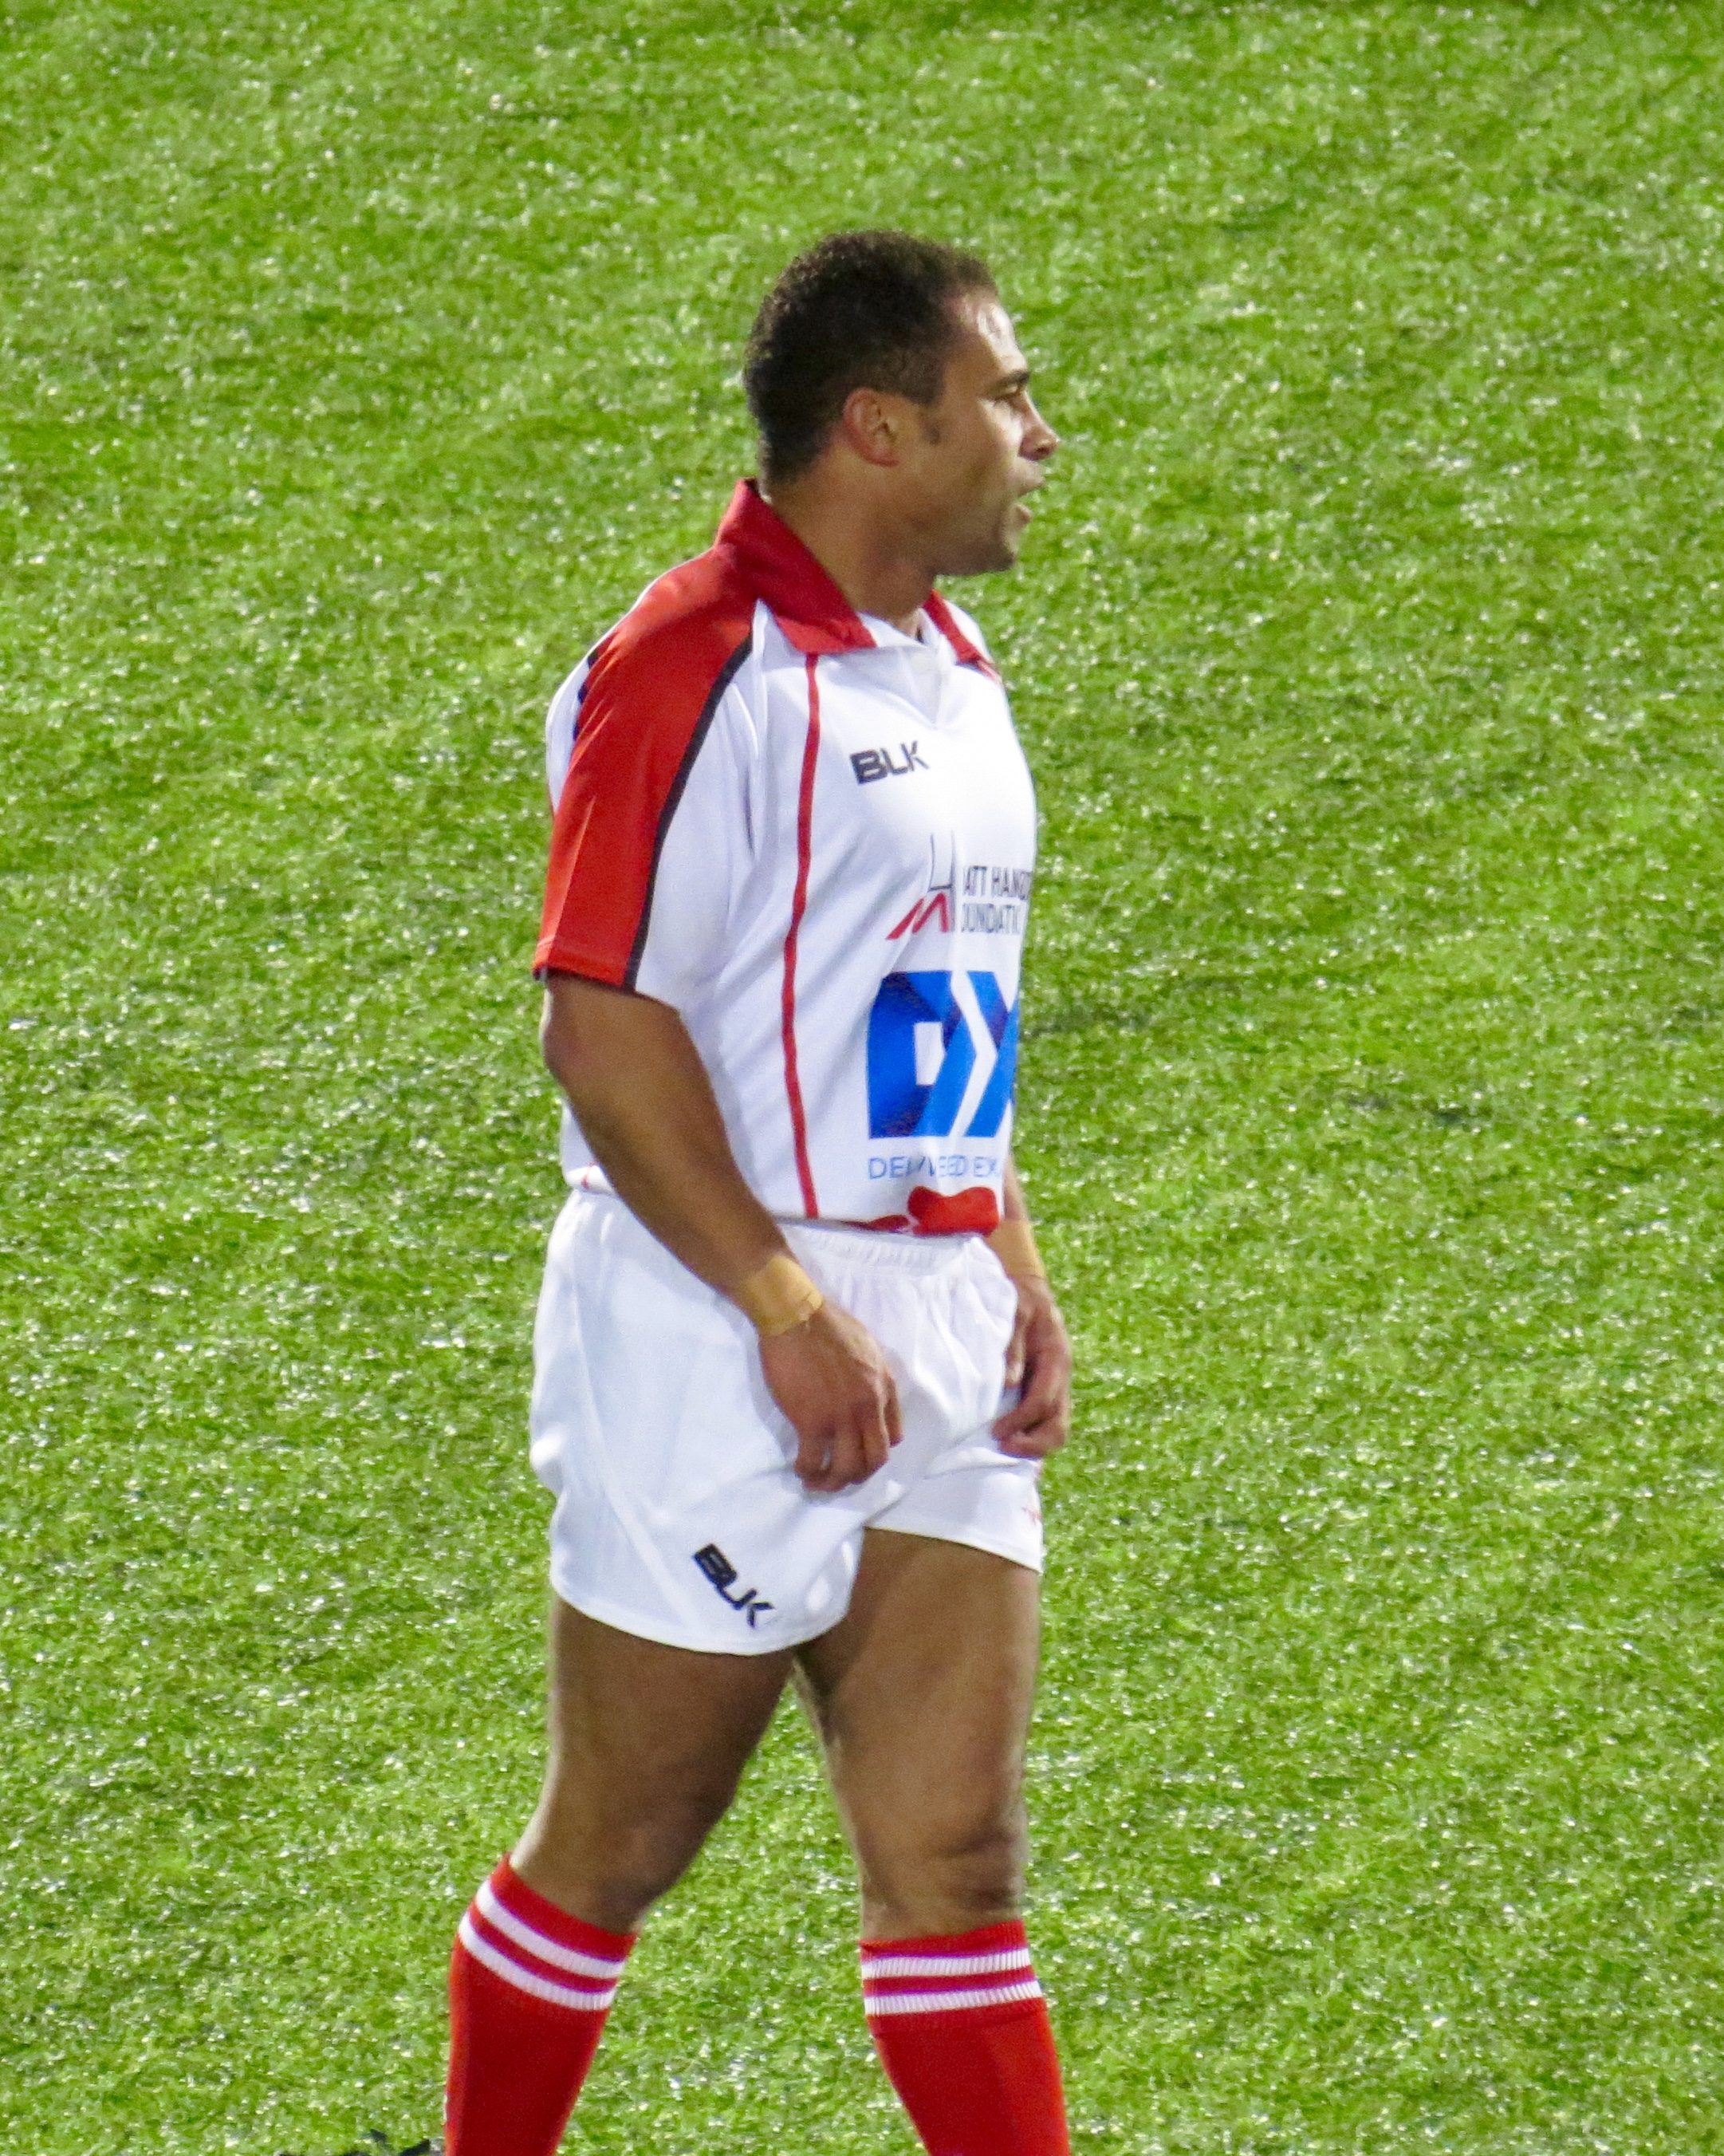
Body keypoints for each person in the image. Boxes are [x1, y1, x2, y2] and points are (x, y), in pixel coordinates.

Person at [443, 230, 1073, 2156]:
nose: (1040, 436)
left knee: (955, 1861)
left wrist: (1008, 1257)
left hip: (935, 1318)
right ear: (882, 426)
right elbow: (599, 1022)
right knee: (618, 1844)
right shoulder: (690, 668)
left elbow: (928, 995)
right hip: (717, 1331)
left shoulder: (947, 664)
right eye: (1006, 397)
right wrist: (787, 1309)